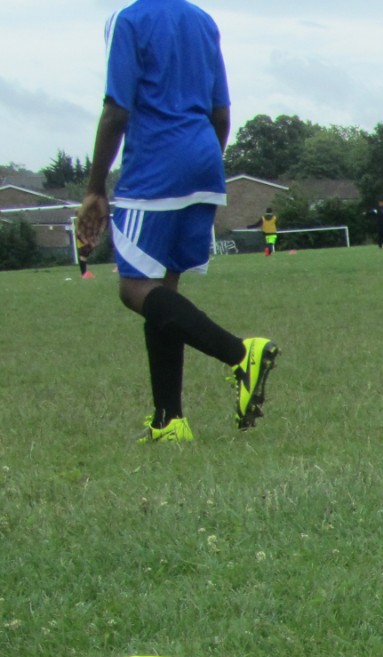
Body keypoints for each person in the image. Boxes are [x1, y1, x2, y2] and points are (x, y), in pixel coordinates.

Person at [75, 0, 275, 442]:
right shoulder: (203, 20)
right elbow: (221, 113)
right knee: (165, 289)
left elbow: (116, 110)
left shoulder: (130, 19)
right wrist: (203, 162)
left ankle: (241, 354)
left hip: (155, 167)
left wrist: (94, 189)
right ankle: (169, 420)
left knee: (134, 288)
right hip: (204, 160)